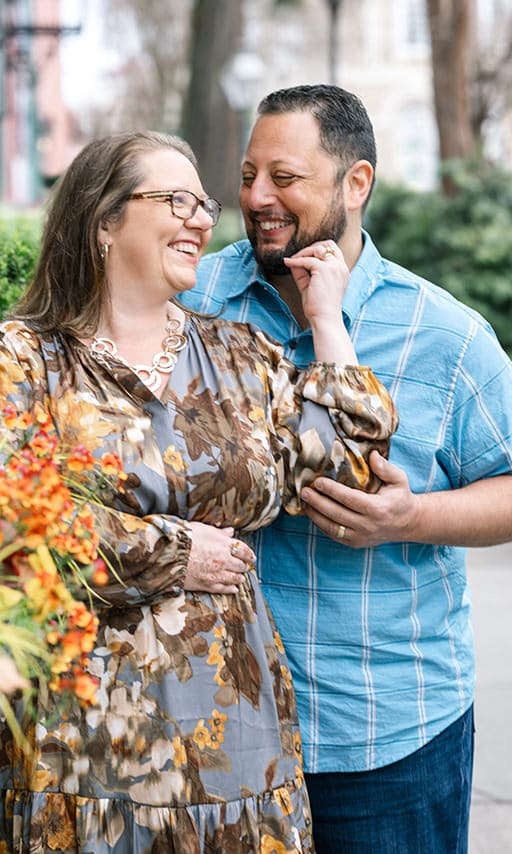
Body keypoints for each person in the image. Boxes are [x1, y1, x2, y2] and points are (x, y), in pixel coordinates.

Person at [0, 130, 398, 852]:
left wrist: (326, 320)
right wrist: (171, 551)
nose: (203, 217)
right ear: (104, 222)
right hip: (77, 738)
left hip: (231, 734)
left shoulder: (236, 354)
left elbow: (350, 464)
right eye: (176, 200)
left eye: (204, 202)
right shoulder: (20, 359)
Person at [183, 84, 512, 852]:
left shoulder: (446, 335)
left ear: (355, 183)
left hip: (388, 735)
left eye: (285, 178)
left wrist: (414, 516)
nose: (257, 197)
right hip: (217, 725)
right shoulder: (190, 302)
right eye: (247, 174)